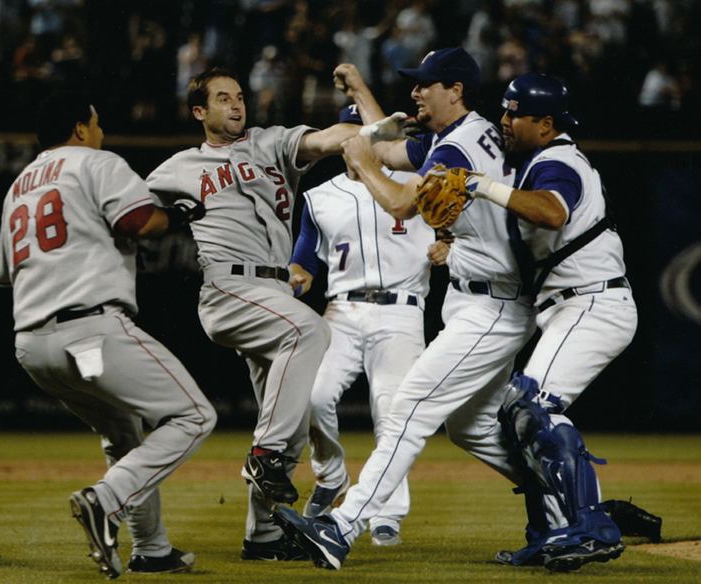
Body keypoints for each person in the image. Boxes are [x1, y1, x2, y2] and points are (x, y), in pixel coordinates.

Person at [273, 47, 537, 567]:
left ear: (456, 89)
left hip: (493, 302)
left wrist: (363, 159)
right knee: (472, 429)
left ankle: (340, 525)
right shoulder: (456, 136)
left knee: (407, 408)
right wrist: (361, 101)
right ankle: (567, 498)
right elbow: (392, 153)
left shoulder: (457, 148)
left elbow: (396, 198)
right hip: (475, 297)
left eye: (426, 84)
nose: (415, 92)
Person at [145, 67, 368, 561]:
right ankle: (264, 456)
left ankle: (262, 535)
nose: (236, 105)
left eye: (240, 96)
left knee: (290, 413)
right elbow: (131, 215)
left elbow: (332, 138)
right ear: (200, 110)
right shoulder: (178, 167)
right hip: (228, 287)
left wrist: (377, 126)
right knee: (310, 332)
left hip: (275, 292)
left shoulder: (270, 143)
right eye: (223, 98)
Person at [0, 91, 217, 579]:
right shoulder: (94, 162)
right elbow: (137, 220)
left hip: (32, 343)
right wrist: (177, 214)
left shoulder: (19, 186)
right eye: (95, 123)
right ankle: (105, 500)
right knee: (194, 415)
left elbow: (8, 273)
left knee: (122, 433)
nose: (100, 132)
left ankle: (151, 550)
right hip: (89, 332)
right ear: (78, 128)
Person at [463, 72, 637, 570]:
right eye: (504, 110)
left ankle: (593, 527)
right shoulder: (538, 162)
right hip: (571, 305)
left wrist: (484, 186)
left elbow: (553, 213)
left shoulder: (557, 160)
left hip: (593, 303)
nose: (505, 120)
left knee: (534, 407)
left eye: (514, 113)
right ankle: (551, 531)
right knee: (516, 416)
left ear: (545, 123)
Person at [289, 104, 451, 546]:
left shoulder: (416, 185)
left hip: (401, 312)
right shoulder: (319, 197)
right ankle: (330, 475)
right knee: (312, 395)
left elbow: (460, 231)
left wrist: (447, 247)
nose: (368, 141)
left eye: (377, 134)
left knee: (392, 411)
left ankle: (387, 513)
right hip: (340, 312)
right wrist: (292, 281)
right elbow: (303, 262)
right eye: (360, 134)